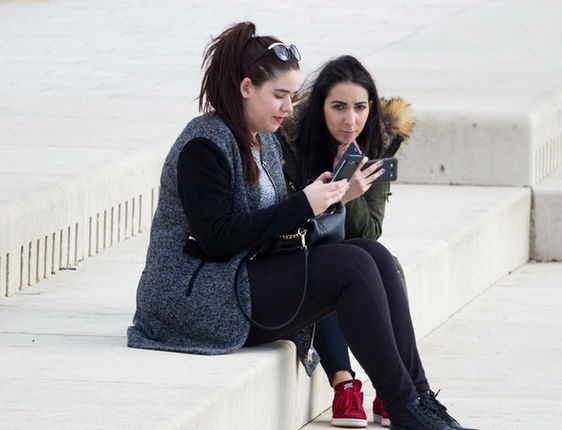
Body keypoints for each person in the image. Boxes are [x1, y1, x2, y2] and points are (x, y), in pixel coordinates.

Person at [126, 21, 475, 430]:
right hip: (194, 299)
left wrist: (316, 206)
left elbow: (272, 230)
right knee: (351, 268)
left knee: (372, 254)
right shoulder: (204, 144)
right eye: (279, 95)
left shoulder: (262, 139)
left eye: (291, 96)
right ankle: (405, 409)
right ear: (245, 89)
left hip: (237, 280)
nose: (289, 107)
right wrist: (302, 205)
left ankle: (418, 398)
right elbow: (216, 238)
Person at [277, 55, 415, 428]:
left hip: (351, 255)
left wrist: (351, 188)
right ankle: (344, 383)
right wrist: (340, 194)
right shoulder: (287, 144)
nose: (350, 120)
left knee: (380, 260)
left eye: (360, 107)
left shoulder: (378, 144)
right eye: (338, 107)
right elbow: (288, 228)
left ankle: (393, 389)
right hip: (295, 260)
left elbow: (369, 232)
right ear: (320, 106)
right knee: (333, 265)